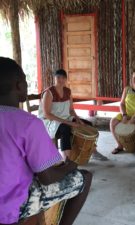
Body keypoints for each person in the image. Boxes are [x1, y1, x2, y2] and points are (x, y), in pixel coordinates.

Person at [0, 57, 92, 225]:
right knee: (85, 178)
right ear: (19, 85)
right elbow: (47, 178)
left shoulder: (67, 93)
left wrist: (75, 120)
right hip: (9, 207)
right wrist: (69, 166)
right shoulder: (28, 123)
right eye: (26, 80)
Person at [38, 69, 103, 160]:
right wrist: (70, 123)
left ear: (66, 79)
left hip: (65, 118)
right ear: (54, 79)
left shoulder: (68, 92)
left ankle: (93, 151)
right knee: (66, 129)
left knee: (87, 125)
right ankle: (67, 159)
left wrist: (78, 120)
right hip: (50, 122)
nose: (61, 80)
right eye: (58, 77)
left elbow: (71, 110)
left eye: (63, 78)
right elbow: (47, 114)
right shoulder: (49, 93)